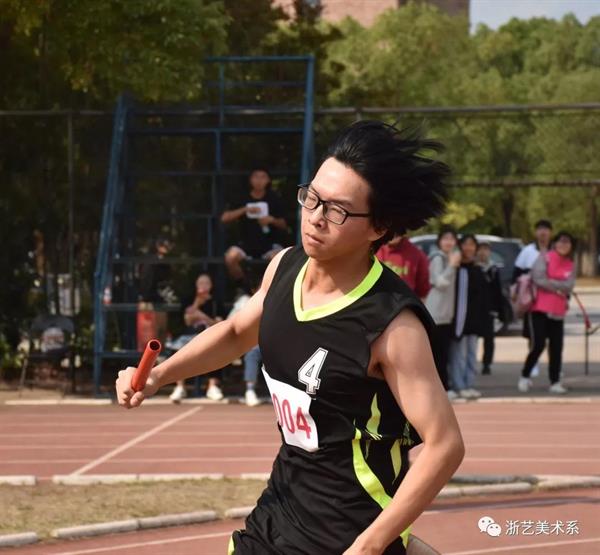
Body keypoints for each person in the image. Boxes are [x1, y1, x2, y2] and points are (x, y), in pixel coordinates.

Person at [116, 121, 465, 555]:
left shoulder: (393, 326)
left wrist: (371, 545)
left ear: (378, 227)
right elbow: (236, 333)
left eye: (337, 211)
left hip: (348, 532)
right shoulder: (284, 267)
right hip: (277, 513)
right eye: (312, 198)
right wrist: (160, 375)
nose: (315, 217)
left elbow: (445, 444)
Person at [518, 232, 575, 395]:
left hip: (558, 310)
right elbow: (538, 278)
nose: (564, 245)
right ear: (555, 243)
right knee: (538, 344)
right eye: (561, 241)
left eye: (567, 242)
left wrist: (553, 284)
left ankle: (555, 381)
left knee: (557, 347)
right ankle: (525, 375)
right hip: (539, 308)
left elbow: (569, 285)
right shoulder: (545, 258)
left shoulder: (571, 262)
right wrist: (558, 287)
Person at [221, 168, 288, 286]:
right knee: (230, 257)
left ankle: (264, 289)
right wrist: (245, 210)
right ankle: (244, 286)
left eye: (263, 177)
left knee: (279, 259)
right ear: (250, 179)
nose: (259, 180)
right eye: (256, 177)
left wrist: (271, 220)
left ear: (268, 180)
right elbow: (224, 218)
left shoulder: (274, 198)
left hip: (269, 244)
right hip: (245, 243)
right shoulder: (242, 197)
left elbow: (284, 224)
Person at [168, 273, 224, 402]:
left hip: (209, 334)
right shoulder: (189, 300)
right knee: (178, 351)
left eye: (206, 283)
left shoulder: (216, 302)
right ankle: (180, 387)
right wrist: (197, 303)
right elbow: (187, 320)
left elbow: (219, 324)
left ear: (211, 285)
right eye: (201, 283)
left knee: (217, 348)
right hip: (189, 335)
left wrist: (201, 316)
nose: (203, 286)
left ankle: (213, 386)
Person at [448, 234, 488, 400]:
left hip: (474, 320)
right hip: (458, 320)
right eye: (466, 244)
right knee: (458, 354)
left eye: (472, 245)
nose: (469, 248)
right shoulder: (457, 269)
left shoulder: (477, 269)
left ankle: (469, 384)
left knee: (471, 353)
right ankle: (458, 385)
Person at [513, 220, 553, 378]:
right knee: (534, 335)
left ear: (550, 232)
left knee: (553, 336)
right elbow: (516, 274)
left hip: (552, 300)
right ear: (536, 232)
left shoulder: (555, 251)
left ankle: (554, 367)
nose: (543, 232)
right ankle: (533, 364)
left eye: (546, 229)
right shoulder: (527, 251)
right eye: (540, 229)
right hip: (533, 300)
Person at [424, 227, 461, 400]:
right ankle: (442, 389)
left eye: (452, 239)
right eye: (445, 238)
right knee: (438, 354)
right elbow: (440, 283)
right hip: (436, 314)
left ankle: (444, 387)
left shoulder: (449, 258)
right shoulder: (438, 258)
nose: (449, 242)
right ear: (439, 241)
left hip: (445, 315)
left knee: (444, 353)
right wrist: (452, 266)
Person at [476, 241, 505, 375]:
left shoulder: (493, 269)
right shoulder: (473, 267)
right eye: (480, 249)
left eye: (486, 249)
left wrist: (499, 310)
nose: (483, 252)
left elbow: (498, 291)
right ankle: (471, 363)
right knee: (472, 339)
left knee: (489, 338)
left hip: (489, 309)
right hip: (475, 309)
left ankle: (487, 364)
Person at [376, 235, 431, 300]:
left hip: (404, 302)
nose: (394, 233)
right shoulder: (372, 250)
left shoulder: (417, 254)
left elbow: (423, 289)